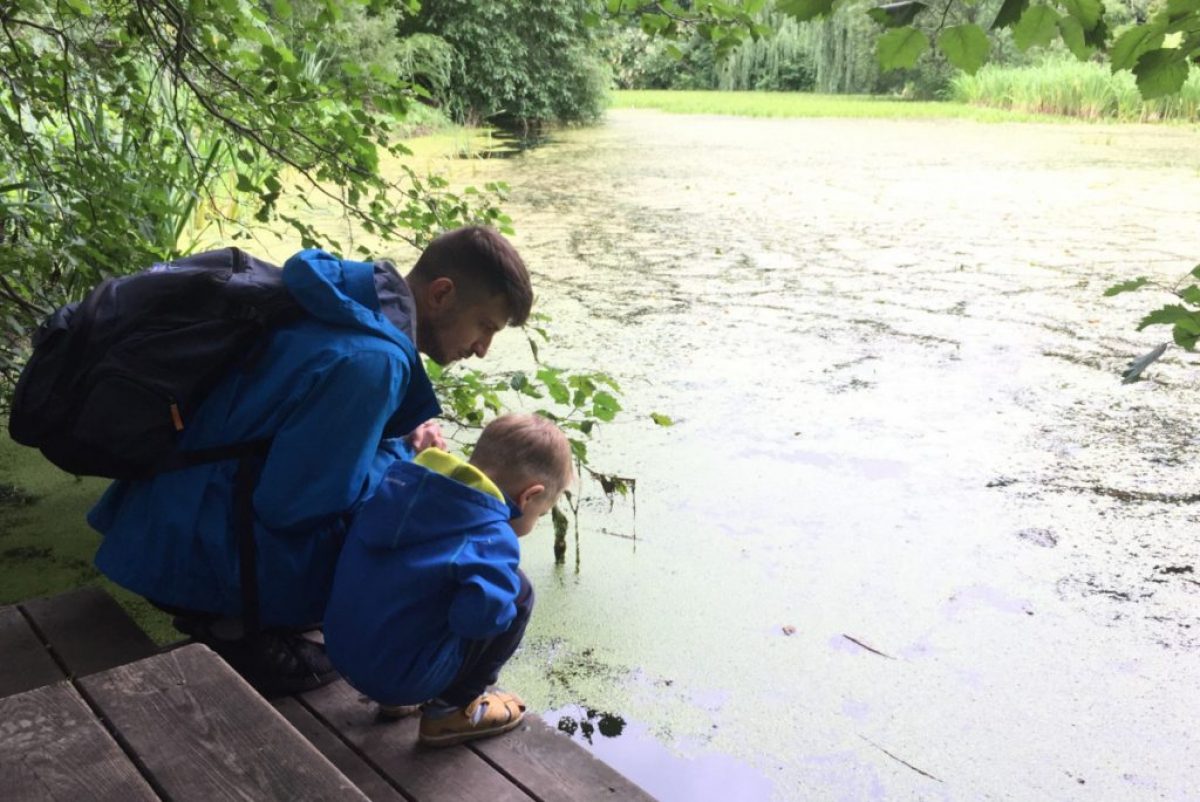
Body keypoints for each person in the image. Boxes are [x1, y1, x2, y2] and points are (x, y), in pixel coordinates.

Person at [87, 226, 532, 696]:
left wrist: (395, 439)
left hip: (168, 517)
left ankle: (236, 616)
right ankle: (235, 627)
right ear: (441, 294)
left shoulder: (343, 299)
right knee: (420, 533)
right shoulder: (374, 359)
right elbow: (294, 506)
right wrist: (411, 473)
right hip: (198, 552)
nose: (482, 349)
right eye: (485, 326)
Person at [324, 413, 573, 747]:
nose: (535, 522)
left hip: (338, 651)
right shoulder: (491, 538)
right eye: (540, 515)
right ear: (528, 496)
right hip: (399, 679)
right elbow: (477, 622)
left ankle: (394, 698)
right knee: (519, 593)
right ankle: (449, 710)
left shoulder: (403, 482)